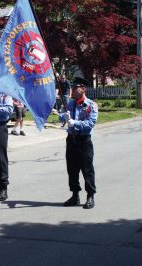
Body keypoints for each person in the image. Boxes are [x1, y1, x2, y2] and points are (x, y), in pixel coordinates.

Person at [59, 77, 98, 209]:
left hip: (84, 141)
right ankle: (75, 195)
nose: (73, 90)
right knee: (72, 169)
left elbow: (90, 123)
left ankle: (90, 196)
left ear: (83, 89)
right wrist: (64, 116)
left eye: (76, 88)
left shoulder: (91, 105)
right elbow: (61, 115)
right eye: (73, 88)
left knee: (87, 169)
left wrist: (75, 123)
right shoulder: (70, 104)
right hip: (71, 139)